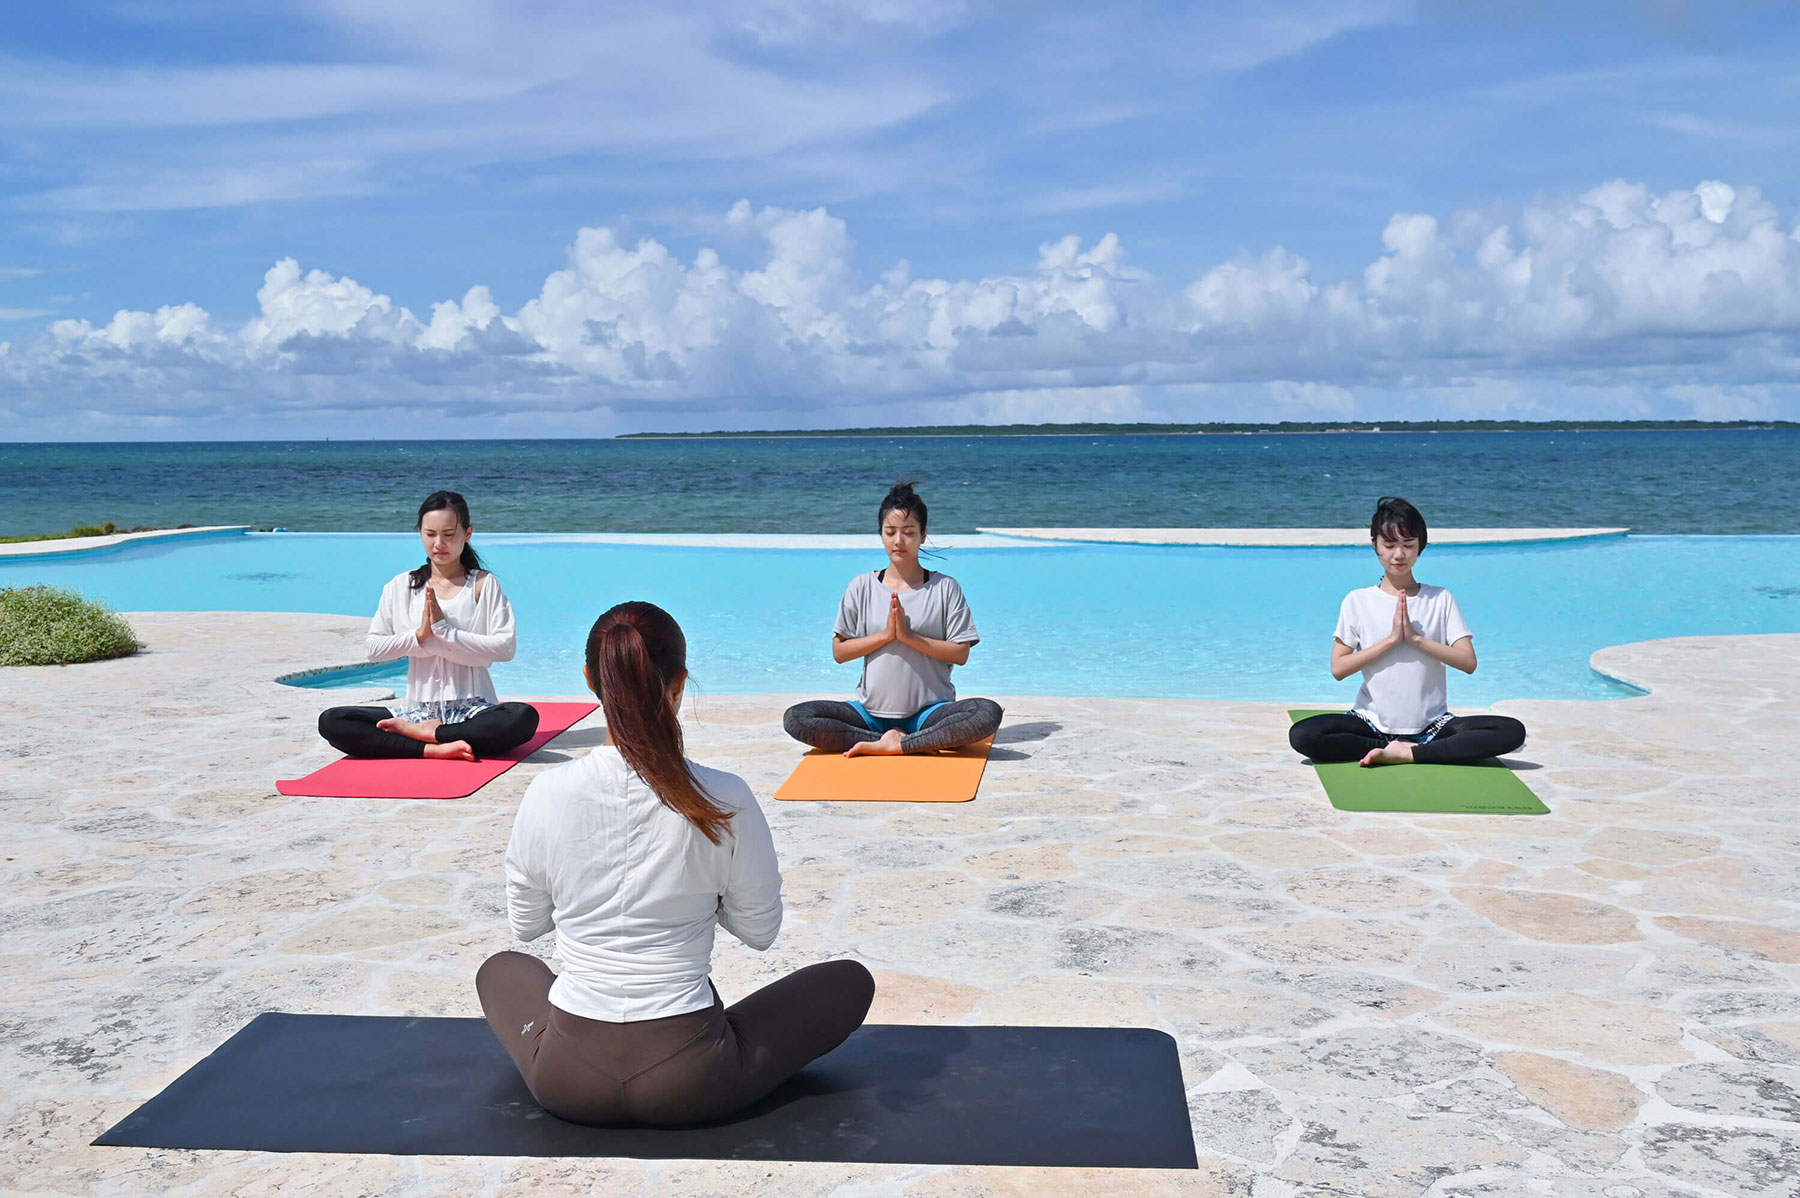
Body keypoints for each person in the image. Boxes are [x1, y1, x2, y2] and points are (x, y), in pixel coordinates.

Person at [476, 601, 874, 1126]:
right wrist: (704, 896)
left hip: (567, 1078)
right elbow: (760, 932)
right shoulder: (724, 795)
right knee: (849, 981)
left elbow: (528, 925)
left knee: (501, 968)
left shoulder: (547, 793)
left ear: (591, 681)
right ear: (681, 683)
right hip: (691, 1080)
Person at [1289, 496, 1527, 768]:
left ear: (1419, 548)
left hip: (1434, 727)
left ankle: (1408, 752)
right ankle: (1393, 749)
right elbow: (1339, 668)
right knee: (1304, 735)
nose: (1398, 554)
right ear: (1375, 545)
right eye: (1389, 545)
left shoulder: (1440, 598)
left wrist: (1416, 639)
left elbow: (1468, 663)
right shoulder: (1357, 600)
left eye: (1408, 545)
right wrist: (1391, 641)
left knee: (1511, 731)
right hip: (1370, 723)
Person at [783, 481, 1003, 756]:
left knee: (985, 713)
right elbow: (839, 652)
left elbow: (960, 653)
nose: (899, 541)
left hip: (929, 713)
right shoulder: (861, 586)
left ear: (923, 535)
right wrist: (887, 635)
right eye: (891, 532)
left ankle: (900, 741)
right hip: (869, 714)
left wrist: (909, 638)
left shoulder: (945, 588)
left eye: (909, 532)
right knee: (798, 717)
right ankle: (900, 739)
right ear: (882, 535)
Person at [316, 490, 538, 761]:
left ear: (467, 534)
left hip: (472, 711)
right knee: (333, 721)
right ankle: (432, 746)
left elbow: (505, 648)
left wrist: (445, 632)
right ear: (420, 532)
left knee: (522, 717)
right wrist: (419, 637)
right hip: (416, 713)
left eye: (449, 533)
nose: (439, 543)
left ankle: (434, 735)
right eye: (430, 534)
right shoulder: (400, 586)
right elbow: (373, 649)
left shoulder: (482, 584)